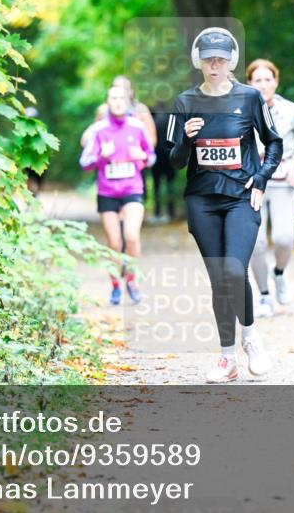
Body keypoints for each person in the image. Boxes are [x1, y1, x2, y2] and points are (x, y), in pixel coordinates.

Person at [166, 28, 283, 383]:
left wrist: (261, 178)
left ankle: (251, 339)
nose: (214, 65)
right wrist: (186, 139)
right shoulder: (184, 102)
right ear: (198, 61)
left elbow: (274, 143)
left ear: (230, 61)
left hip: (241, 198)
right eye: (208, 59)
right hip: (202, 200)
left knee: (234, 270)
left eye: (220, 59)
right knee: (220, 278)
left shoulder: (249, 97)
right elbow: (173, 160)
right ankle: (227, 358)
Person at [246, 59, 294, 317]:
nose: (264, 84)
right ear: (249, 84)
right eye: (258, 80)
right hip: (252, 185)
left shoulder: (293, 111)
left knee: (283, 238)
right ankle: (264, 296)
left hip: (283, 183)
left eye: (268, 79)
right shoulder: (241, 111)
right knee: (255, 244)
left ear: (276, 82)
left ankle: (279, 273)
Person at [80, 85, 156, 305]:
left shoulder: (137, 127)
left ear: (128, 101)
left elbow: (151, 158)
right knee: (114, 242)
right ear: (108, 102)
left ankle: (132, 281)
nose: (117, 102)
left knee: (131, 236)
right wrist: (100, 157)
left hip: (132, 189)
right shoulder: (98, 130)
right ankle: (115, 286)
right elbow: (84, 163)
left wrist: (141, 155)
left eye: (121, 98)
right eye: (113, 98)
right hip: (108, 193)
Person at [150, 101, 177, 223]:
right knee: (170, 184)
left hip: (156, 156)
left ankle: (157, 212)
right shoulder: (170, 117)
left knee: (157, 185)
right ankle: (171, 212)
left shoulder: (153, 118)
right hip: (169, 156)